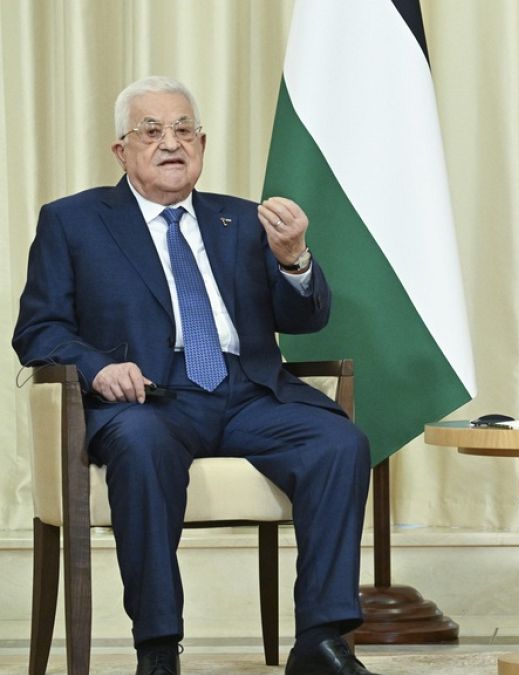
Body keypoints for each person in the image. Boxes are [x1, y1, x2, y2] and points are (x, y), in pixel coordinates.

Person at [13, 76, 381, 675]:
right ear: (121, 151)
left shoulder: (242, 221)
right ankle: (158, 646)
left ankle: (320, 638)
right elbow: (38, 330)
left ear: (202, 145)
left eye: (184, 129)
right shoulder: (73, 222)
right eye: (151, 130)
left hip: (249, 395)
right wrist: (99, 367)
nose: (170, 142)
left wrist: (295, 260)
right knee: (141, 443)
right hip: (150, 399)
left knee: (340, 441)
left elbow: (306, 319)